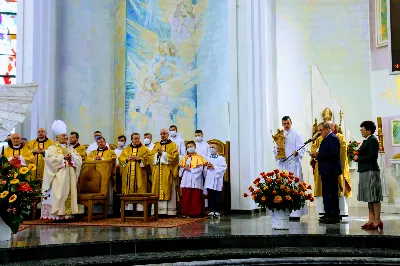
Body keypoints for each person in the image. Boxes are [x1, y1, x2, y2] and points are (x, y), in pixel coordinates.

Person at [41, 120, 83, 220]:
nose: (65, 137)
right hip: (58, 176)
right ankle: (57, 215)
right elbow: (50, 160)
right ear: (57, 137)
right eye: (63, 136)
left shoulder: (71, 149)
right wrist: (63, 158)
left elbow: (78, 158)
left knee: (68, 193)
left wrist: (72, 157)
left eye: (66, 136)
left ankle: (67, 214)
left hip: (70, 176)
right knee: (59, 193)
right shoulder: (52, 148)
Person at [273, 116, 307, 220]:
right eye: (284, 124)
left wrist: (298, 153)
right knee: (283, 186)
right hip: (283, 164)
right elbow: (275, 148)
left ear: (291, 122)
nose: (286, 125)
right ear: (282, 124)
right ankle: (284, 211)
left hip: (293, 164)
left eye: (288, 123)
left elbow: (302, 147)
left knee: (294, 185)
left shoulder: (297, 135)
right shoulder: (279, 135)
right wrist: (277, 153)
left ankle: (295, 213)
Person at [353, 121, 383, 230]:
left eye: (363, 130)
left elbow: (372, 157)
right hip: (365, 171)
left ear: (369, 131)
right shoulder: (367, 140)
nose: (361, 132)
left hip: (371, 171)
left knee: (374, 196)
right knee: (369, 197)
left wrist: (358, 158)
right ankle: (371, 220)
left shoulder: (373, 141)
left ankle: (377, 220)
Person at [311, 121, 342, 224]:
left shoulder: (333, 138)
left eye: (321, 130)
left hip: (331, 170)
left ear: (328, 129)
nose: (320, 133)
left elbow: (334, 155)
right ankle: (328, 213)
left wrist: (318, 156)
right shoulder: (325, 139)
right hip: (325, 170)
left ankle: (334, 215)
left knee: (332, 193)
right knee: (326, 193)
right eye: (319, 131)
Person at [149, 129, 179, 215]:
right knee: (157, 189)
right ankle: (157, 211)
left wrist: (164, 154)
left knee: (168, 187)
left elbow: (175, 157)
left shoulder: (173, 145)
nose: (163, 135)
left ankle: (169, 212)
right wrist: (157, 155)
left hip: (168, 171)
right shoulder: (156, 145)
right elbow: (150, 156)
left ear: (168, 134)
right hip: (157, 171)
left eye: (165, 133)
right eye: (161, 134)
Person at [179, 141, 207, 217]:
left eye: (191, 146)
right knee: (186, 195)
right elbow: (181, 169)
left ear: (195, 147)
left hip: (195, 179)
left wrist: (191, 169)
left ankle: (196, 213)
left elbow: (200, 168)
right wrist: (184, 168)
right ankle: (186, 212)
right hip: (186, 178)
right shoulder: (185, 158)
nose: (189, 148)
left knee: (195, 196)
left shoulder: (199, 157)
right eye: (188, 147)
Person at [204, 143, 227, 218]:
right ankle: (211, 210)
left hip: (217, 180)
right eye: (210, 147)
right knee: (210, 195)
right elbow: (203, 169)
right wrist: (206, 168)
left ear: (217, 149)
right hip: (209, 179)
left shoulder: (221, 158)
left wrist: (214, 167)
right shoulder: (207, 158)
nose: (211, 149)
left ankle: (217, 211)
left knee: (217, 196)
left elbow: (223, 168)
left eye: (213, 147)